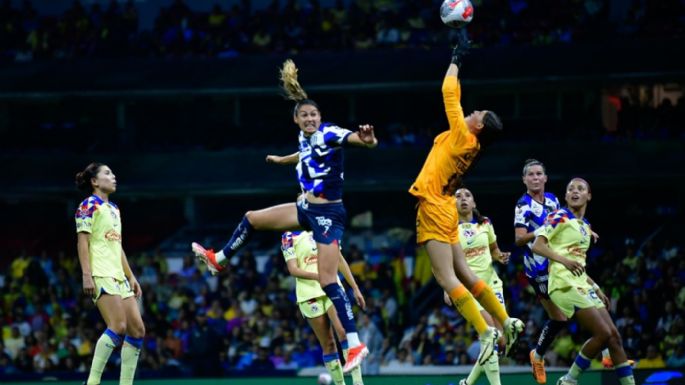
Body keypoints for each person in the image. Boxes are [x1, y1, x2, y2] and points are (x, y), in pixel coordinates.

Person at [192, 59, 377, 372]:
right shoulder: (305, 137)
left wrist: (368, 139)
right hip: (306, 210)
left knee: (329, 280)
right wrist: (282, 160)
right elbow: (303, 152)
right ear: (296, 119)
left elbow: (358, 141)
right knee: (252, 217)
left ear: (321, 117)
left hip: (328, 214)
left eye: (313, 114)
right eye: (304, 115)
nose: (309, 118)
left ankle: (356, 344)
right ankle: (218, 259)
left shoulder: (330, 132)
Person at [408, 35, 523, 366]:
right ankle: (506, 321)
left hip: (433, 205)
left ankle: (485, 331)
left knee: (447, 278)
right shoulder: (472, 146)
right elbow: (457, 98)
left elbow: (448, 92)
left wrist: (457, 57)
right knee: (465, 274)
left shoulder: (463, 137)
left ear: (479, 125)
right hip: (446, 206)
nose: (473, 110)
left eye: (479, 112)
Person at [532, 178, 635, 385]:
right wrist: (564, 261)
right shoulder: (559, 216)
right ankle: (569, 380)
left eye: (580, 189)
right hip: (562, 284)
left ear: (589, 196)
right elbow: (538, 246)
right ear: (566, 196)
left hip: (581, 284)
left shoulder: (585, 226)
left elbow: (579, 265)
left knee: (614, 337)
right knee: (603, 334)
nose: (575, 192)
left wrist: (595, 287)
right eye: (571, 189)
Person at [75, 163, 145, 385]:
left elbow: (118, 246)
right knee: (118, 326)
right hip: (101, 273)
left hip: (119, 276)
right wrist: (87, 275)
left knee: (137, 330)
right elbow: (82, 242)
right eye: (107, 173)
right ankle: (92, 381)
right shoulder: (88, 206)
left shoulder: (114, 208)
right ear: (94, 182)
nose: (113, 177)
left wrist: (131, 276)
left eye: (113, 173)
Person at [281, 230, 365, 385]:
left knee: (344, 333)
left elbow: (339, 260)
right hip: (309, 295)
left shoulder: (327, 228)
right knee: (329, 343)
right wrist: (319, 276)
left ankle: (358, 382)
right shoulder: (288, 237)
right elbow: (293, 270)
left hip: (332, 287)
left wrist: (355, 288)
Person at [513, 159, 563, 384]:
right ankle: (538, 355)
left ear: (545, 178)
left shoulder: (553, 200)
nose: (534, 177)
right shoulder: (522, 205)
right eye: (530, 174)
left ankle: (607, 353)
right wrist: (542, 230)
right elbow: (519, 238)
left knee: (583, 302)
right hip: (538, 269)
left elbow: (563, 225)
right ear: (524, 179)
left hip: (557, 262)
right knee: (559, 317)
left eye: (538, 174)